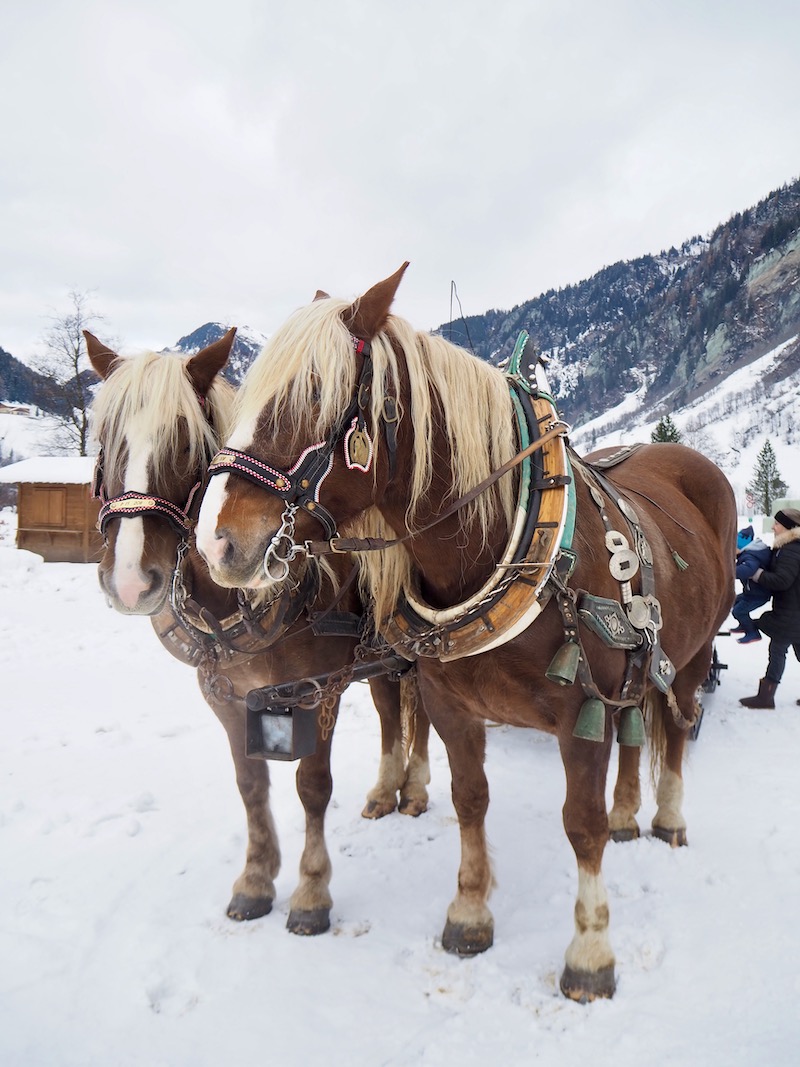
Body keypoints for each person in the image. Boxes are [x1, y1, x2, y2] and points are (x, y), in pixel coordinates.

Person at [740, 508, 800, 709]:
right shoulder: (789, 547)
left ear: (789, 527)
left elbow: (782, 580)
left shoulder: (791, 549)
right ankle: (766, 696)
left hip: (791, 613)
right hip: (792, 610)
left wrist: (755, 573)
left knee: (777, 650)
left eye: (777, 523)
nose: (773, 527)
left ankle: (766, 697)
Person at [731, 524, 771, 643]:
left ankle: (753, 632)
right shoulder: (748, 553)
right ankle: (744, 625)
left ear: (740, 546)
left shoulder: (750, 556)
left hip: (758, 595)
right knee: (735, 602)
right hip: (751, 593)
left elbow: (748, 570)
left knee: (738, 611)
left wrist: (730, 572)